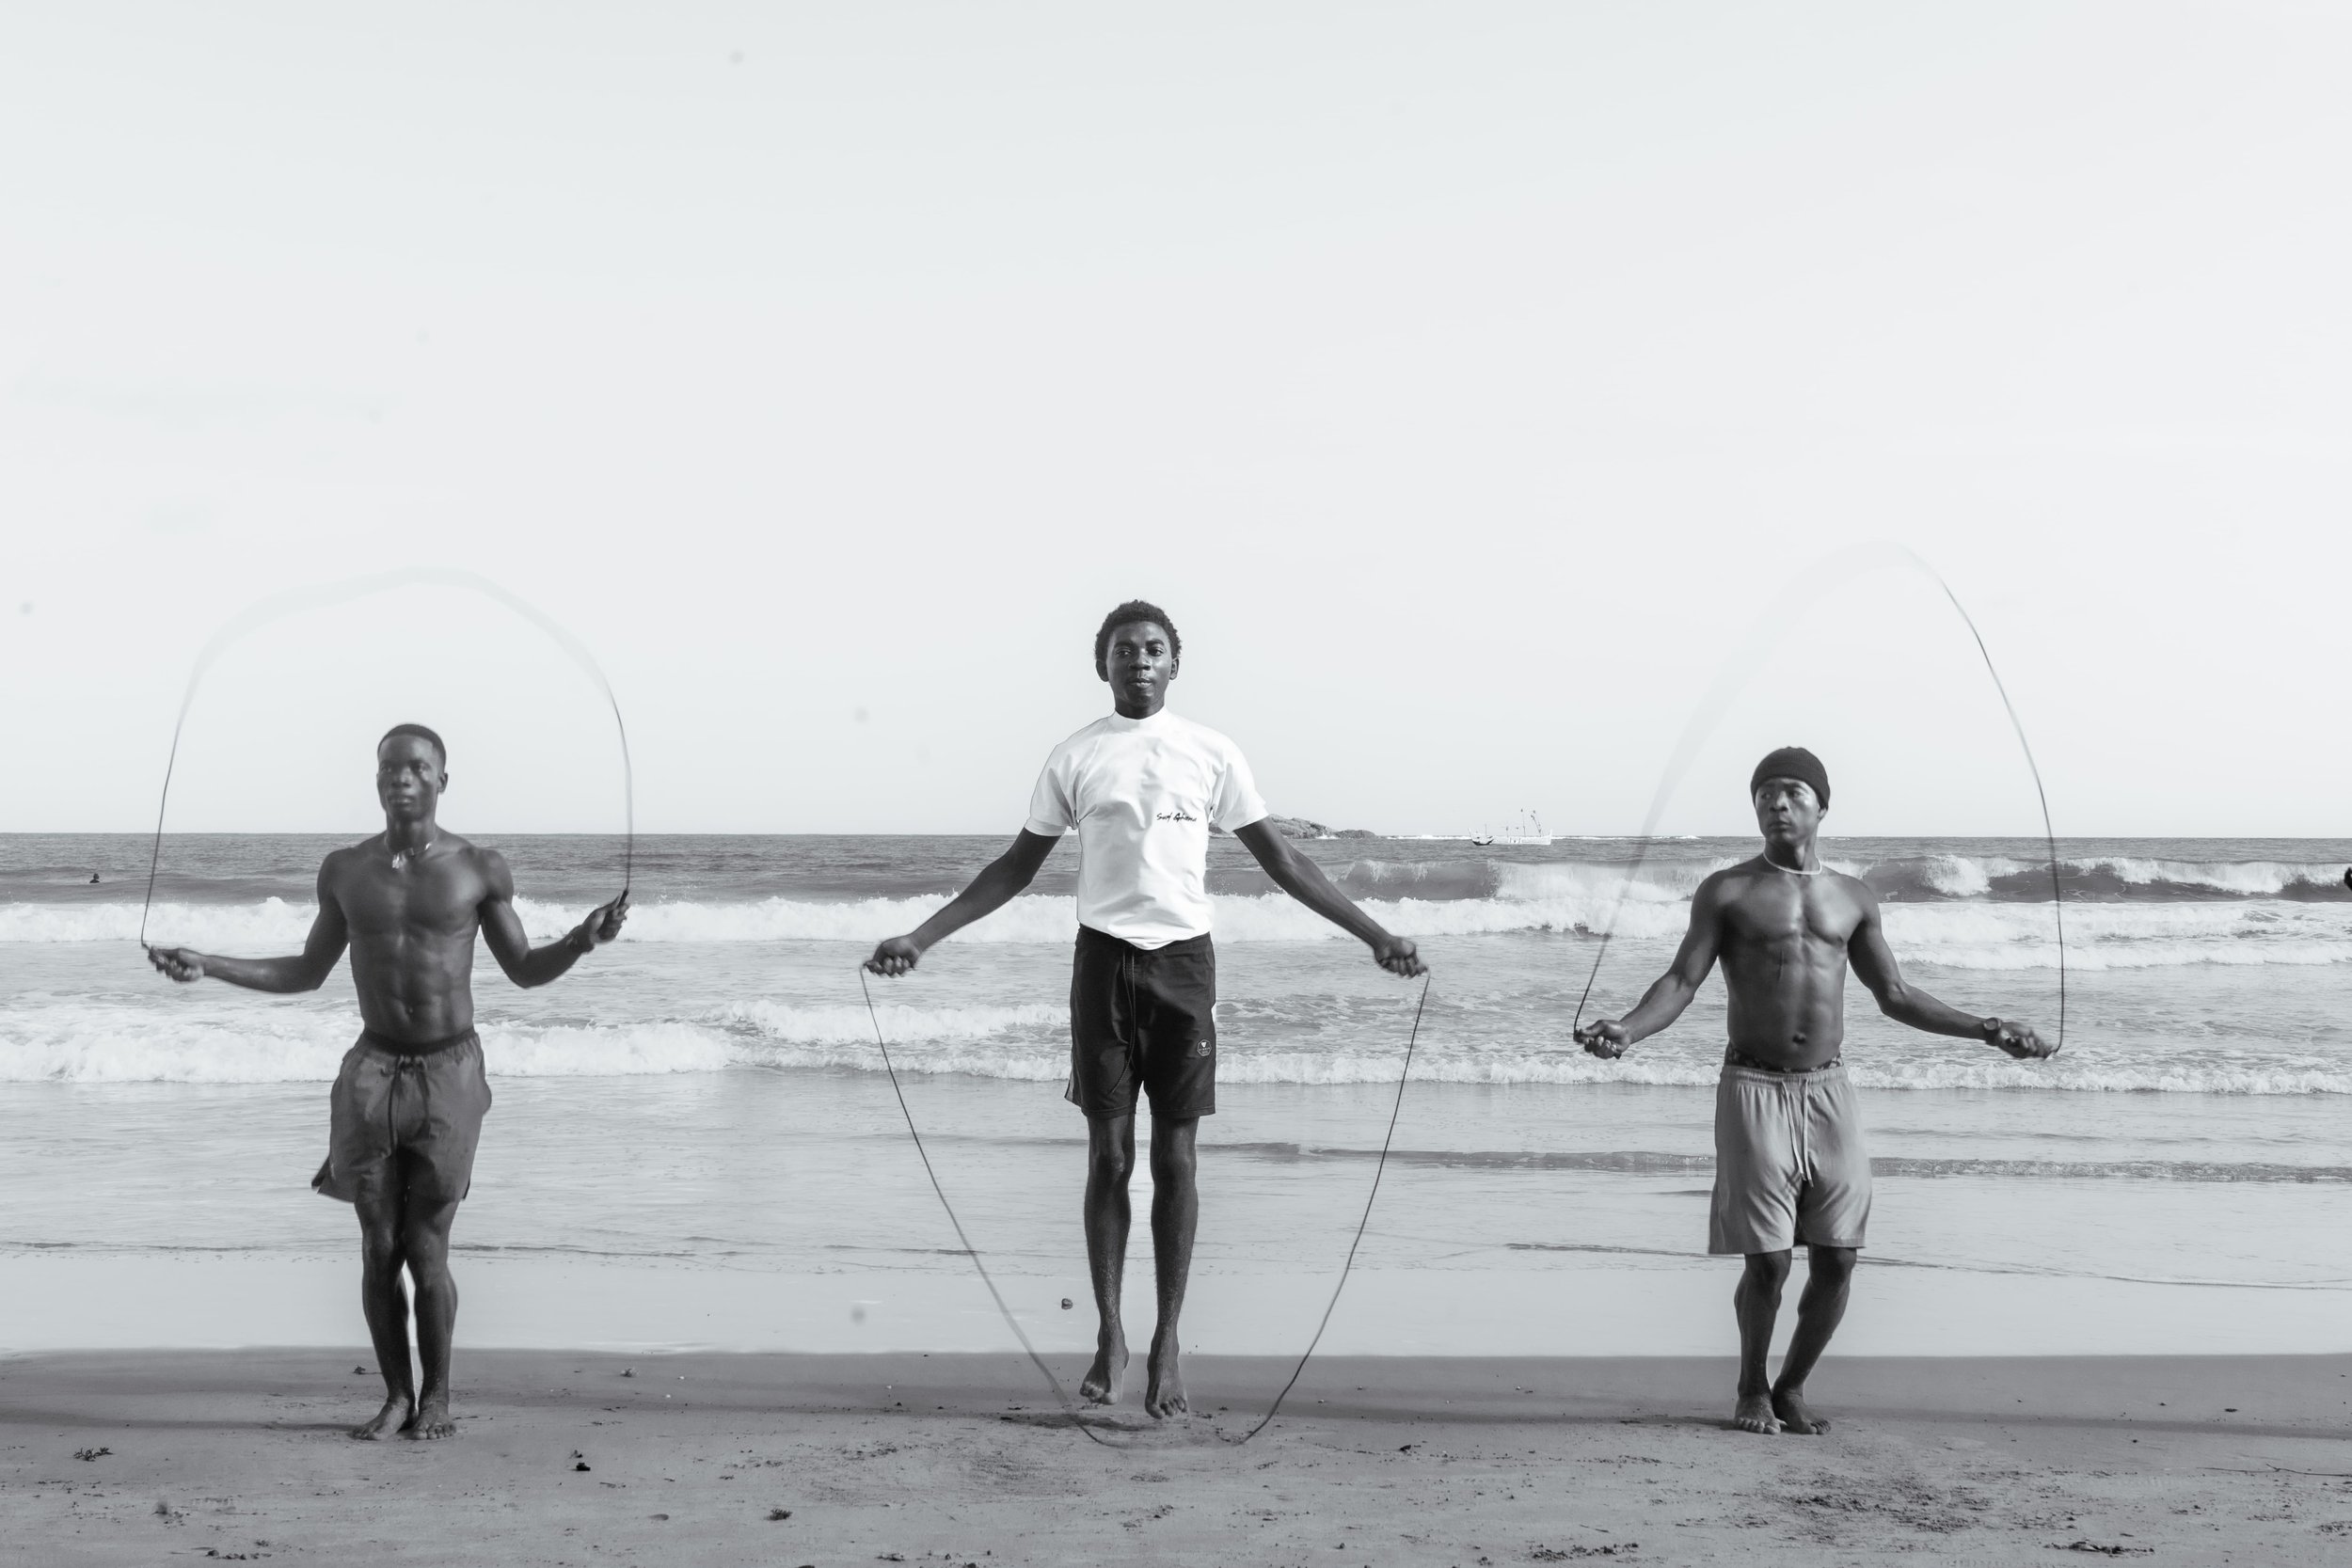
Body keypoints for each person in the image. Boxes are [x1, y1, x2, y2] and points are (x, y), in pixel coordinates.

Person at [866, 600, 1424, 1418]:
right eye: (1124, 649)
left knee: (1178, 1160)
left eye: (1153, 649)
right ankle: (1109, 1331)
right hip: (1103, 966)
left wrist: (1375, 934)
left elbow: (1283, 860)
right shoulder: (1076, 755)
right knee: (1108, 1158)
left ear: (1174, 663)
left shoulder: (1211, 752)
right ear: (1103, 663)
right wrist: (921, 936)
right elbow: (1014, 868)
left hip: (1184, 968)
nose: (1139, 660)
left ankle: (1166, 1340)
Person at [149, 723, 627, 1440]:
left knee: (426, 1246)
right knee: (378, 1247)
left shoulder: (478, 868)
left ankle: (437, 1398)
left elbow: (526, 970)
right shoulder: (345, 870)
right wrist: (210, 964)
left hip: (449, 1071)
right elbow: (306, 971)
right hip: (371, 1071)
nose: (402, 777)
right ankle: (397, 1395)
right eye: (390, 767)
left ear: (442, 780)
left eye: (418, 767)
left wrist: (581, 940)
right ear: (376, 780)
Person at [1574, 747, 2053, 1435]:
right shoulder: (1727, 890)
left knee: (1838, 1257)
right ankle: (1750, 1388)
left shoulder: (1854, 897)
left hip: (1830, 1090)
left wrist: (1986, 1029)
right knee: (1768, 1261)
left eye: (1793, 791)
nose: (1777, 803)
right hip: (1752, 1086)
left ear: (1822, 805)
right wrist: (1628, 1029)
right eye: (1765, 793)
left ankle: (1791, 1386)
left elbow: (1895, 994)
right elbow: (1681, 981)